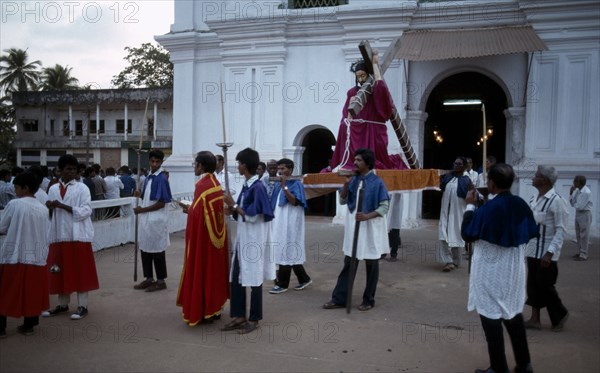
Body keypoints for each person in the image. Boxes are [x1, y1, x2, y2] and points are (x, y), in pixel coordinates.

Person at [461, 163, 538, 373]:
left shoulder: (489, 209)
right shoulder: (521, 204)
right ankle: (524, 364)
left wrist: (470, 206)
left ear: (492, 183)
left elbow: (467, 234)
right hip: (514, 271)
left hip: (491, 273)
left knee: (492, 321)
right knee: (514, 316)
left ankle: (498, 368)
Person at [323, 148, 390, 311]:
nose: (355, 162)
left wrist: (367, 216)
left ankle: (368, 300)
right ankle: (340, 298)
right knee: (349, 263)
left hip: (370, 227)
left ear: (367, 163)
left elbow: (384, 207)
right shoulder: (352, 179)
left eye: (359, 160)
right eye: (355, 159)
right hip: (354, 227)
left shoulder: (377, 182)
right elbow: (343, 200)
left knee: (371, 264)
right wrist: (346, 183)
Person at [222, 148, 275, 334]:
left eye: (238, 163)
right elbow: (242, 213)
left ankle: (254, 318)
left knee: (253, 278)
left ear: (244, 165)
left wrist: (233, 205)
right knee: (236, 276)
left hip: (254, 239)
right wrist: (233, 210)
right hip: (243, 237)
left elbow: (253, 216)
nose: (237, 166)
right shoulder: (247, 185)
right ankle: (238, 315)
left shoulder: (257, 187)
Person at [43, 154, 99, 320]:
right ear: (60, 170)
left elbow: (86, 210)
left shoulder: (82, 188)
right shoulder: (53, 189)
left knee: (80, 271)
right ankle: (62, 304)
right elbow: (50, 214)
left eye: (74, 169)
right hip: (59, 235)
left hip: (77, 235)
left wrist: (62, 206)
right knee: (59, 270)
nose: (72, 172)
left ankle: (83, 305)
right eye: (68, 169)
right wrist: (50, 208)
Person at [176, 151, 229, 326]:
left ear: (201, 166)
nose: (194, 168)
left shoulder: (202, 185)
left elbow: (197, 214)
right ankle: (214, 309)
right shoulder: (215, 183)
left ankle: (203, 310)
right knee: (213, 273)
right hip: (216, 241)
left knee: (201, 270)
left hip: (204, 241)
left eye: (195, 164)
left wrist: (187, 209)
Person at [330, 56, 406, 171]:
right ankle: (349, 162)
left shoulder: (377, 89)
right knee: (343, 126)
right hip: (358, 129)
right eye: (358, 77)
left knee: (379, 160)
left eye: (363, 76)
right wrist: (348, 120)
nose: (360, 80)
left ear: (368, 75)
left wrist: (375, 66)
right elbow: (346, 115)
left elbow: (384, 106)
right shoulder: (352, 92)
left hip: (374, 129)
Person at [0, 172, 50, 337]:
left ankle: (1, 329)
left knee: (6, 291)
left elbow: (2, 227)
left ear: (25, 188)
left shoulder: (15, 204)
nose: (15, 191)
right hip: (36, 256)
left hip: (14, 254)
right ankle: (29, 325)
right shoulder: (43, 208)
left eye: (16, 187)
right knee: (32, 292)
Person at [524, 165, 570, 331]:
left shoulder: (557, 201)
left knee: (545, 285)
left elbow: (561, 229)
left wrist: (550, 253)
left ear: (544, 180)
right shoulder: (533, 199)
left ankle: (560, 314)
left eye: (536, 176)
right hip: (532, 250)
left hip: (546, 253)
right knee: (532, 286)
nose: (533, 178)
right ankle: (535, 319)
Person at [269, 158, 312, 294]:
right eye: (279, 169)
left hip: (291, 222)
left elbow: (294, 201)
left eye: (282, 169)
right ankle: (304, 279)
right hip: (280, 221)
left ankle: (282, 284)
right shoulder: (277, 184)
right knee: (287, 249)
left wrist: (285, 187)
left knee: (286, 248)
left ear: (290, 169)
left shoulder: (296, 183)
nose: (280, 171)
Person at [133, 150, 173, 292]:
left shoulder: (161, 178)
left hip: (156, 220)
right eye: (152, 161)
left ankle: (161, 280)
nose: (155, 164)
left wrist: (141, 210)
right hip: (146, 221)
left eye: (158, 162)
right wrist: (139, 194)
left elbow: (161, 202)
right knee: (145, 248)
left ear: (161, 162)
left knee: (157, 251)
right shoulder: (148, 176)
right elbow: (148, 196)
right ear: (149, 161)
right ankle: (149, 278)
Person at [438, 156, 472, 272]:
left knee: (456, 235)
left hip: (458, 213)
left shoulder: (467, 180)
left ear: (464, 166)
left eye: (459, 164)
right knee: (443, 235)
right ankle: (448, 261)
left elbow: (471, 195)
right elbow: (441, 187)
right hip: (445, 212)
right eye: (455, 163)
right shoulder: (447, 177)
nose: (456, 165)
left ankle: (456, 261)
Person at [569, 175, 592, 261]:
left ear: (579, 182)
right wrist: (571, 193)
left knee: (584, 235)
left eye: (575, 181)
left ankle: (584, 254)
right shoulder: (578, 191)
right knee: (578, 234)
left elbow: (580, 206)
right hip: (578, 213)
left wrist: (575, 205)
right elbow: (572, 203)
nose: (573, 183)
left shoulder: (586, 192)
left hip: (584, 214)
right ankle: (580, 252)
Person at [382, 193, 402, 262]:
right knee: (386, 233)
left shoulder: (399, 190)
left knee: (395, 232)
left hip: (395, 212)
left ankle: (393, 255)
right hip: (388, 210)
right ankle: (384, 253)